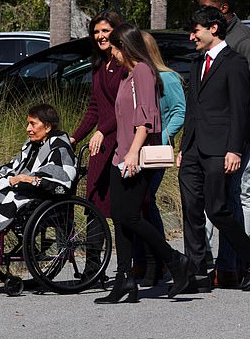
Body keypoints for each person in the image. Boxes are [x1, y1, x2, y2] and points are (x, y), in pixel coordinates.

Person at [94, 23, 190, 304]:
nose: (111, 53)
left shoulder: (144, 73)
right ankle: (125, 279)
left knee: (132, 216)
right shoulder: (128, 75)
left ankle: (175, 261)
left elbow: (146, 120)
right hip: (120, 155)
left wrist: (133, 153)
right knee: (120, 218)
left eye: (114, 48)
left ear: (125, 46)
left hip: (137, 155)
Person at [177, 6, 250, 293]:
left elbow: (240, 112)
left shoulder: (235, 62)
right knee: (191, 209)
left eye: (196, 30)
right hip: (193, 148)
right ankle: (196, 273)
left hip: (219, 149)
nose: (192, 36)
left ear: (213, 28)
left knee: (216, 208)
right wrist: (183, 147)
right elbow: (193, 108)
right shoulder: (196, 63)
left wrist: (235, 150)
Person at [0, 103, 77, 284]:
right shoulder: (31, 144)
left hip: (37, 197)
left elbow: (62, 181)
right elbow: (14, 165)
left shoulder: (60, 147)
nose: (28, 129)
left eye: (33, 124)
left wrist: (30, 179)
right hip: (19, 192)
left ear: (48, 126)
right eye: (28, 124)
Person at [199, 0, 250, 287]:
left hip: (241, 136)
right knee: (222, 197)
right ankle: (226, 261)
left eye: (206, 7)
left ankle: (240, 259)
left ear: (223, 9)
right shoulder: (213, 39)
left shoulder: (248, 44)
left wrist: (238, 142)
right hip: (216, 136)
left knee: (239, 192)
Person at [132, 31, 186, 287]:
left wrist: (162, 137)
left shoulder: (167, 78)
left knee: (147, 201)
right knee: (137, 205)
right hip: (132, 148)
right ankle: (143, 260)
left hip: (154, 151)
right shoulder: (132, 77)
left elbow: (179, 111)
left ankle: (159, 261)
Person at [69, 10, 125, 218]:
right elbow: (95, 108)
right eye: (96, 31)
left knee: (125, 211)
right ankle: (93, 252)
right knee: (94, 204)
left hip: (123, 144)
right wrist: (74, 137)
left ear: (117, 33)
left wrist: (102, 130)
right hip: (101, 145)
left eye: (106, 31)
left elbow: (124, 109)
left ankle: (155, 252)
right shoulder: (99, 65)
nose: (100, 35)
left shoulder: (126, 65)